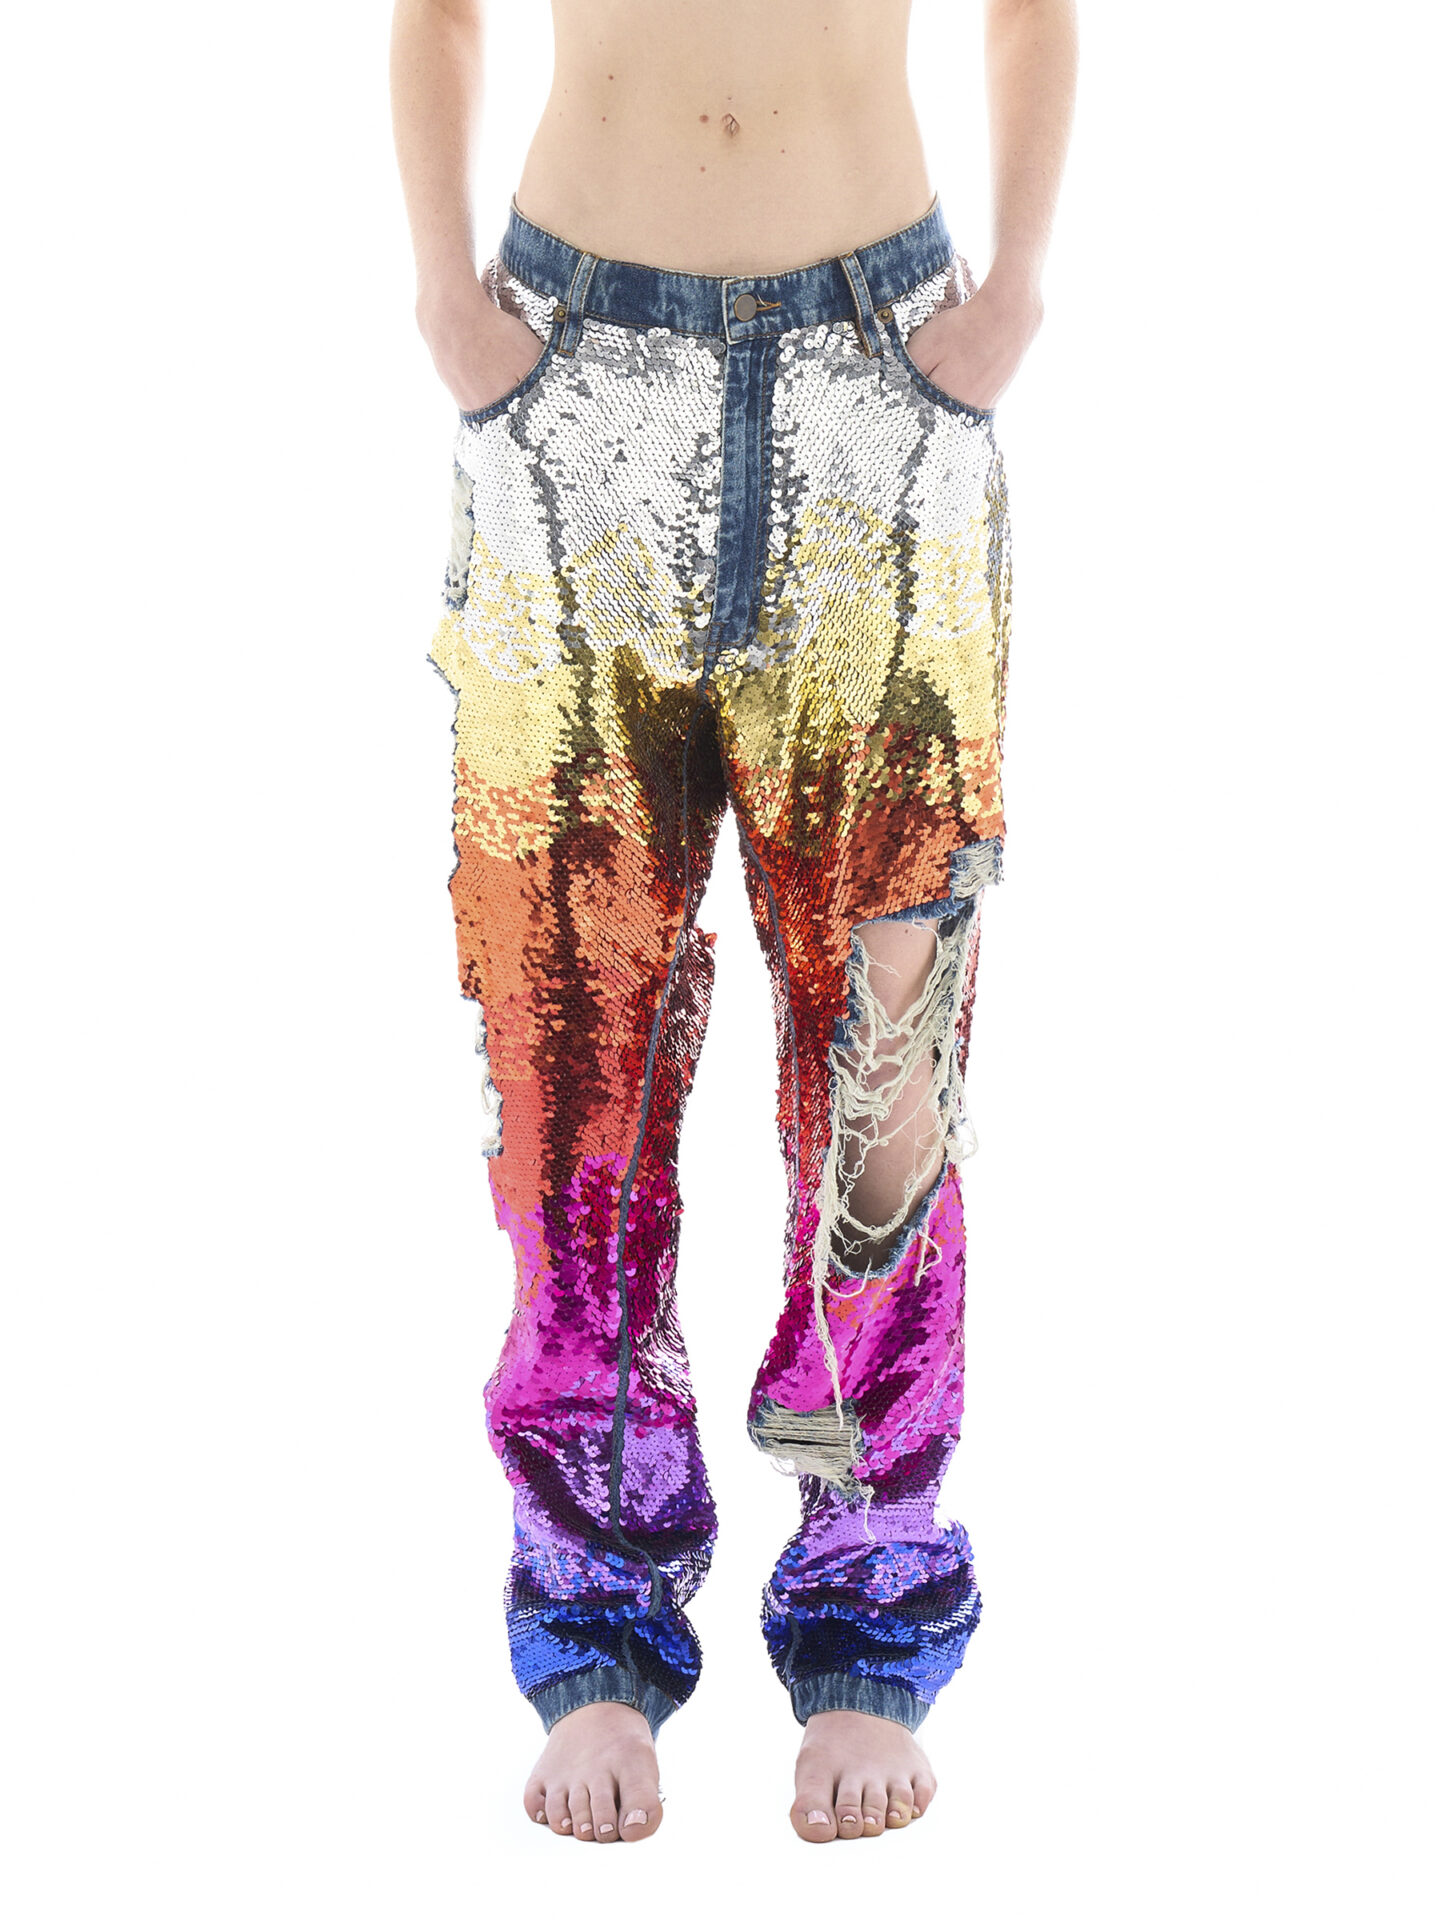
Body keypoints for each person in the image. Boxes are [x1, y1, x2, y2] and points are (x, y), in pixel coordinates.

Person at [389, 0, 1076, 1846]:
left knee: (888, 1066)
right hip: (573, 399)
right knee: (567, 1064)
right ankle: (594, 1619)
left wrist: (1014, 292)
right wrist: (448, 300)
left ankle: (869, 1590)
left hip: (879, 396)